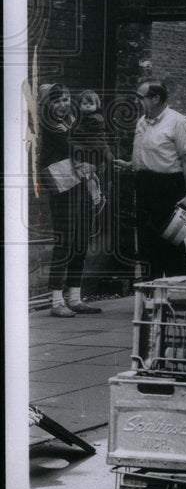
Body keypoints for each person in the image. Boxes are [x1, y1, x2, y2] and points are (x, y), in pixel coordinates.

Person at [121, 79, 186, 280]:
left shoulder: (178, 122)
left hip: (169, 187)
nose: (137, 101)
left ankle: (176, 293)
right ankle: (149, 296)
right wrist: (132, 164)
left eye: (141, 97)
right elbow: (150, 153)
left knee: (171, 242)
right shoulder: (142, 121)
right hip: (144, 185)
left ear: (155, 99)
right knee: (147, 243)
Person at [37, 84, 102, 316]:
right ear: (48, 104)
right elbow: (74, 145)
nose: (63, 104)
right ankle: (56, 301)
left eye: (65, 99)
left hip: (81, 185)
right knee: (65, 242)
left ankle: (75, 297)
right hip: (64, 188)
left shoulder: (73, 121)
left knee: (81, 240)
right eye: (57, 101)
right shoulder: (50, 124)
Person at [73, 90, 114, 211]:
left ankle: (97, 198)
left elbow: (82, 132)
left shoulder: (95, 118)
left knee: (88, 173)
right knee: (89, 175)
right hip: (91, 147)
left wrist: (72, 130)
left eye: (91, 104)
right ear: (79, 105)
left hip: (95, 147)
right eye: (84, 103)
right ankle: (98, 196)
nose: (87, 106)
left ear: (97, 105)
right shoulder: (84, 117)